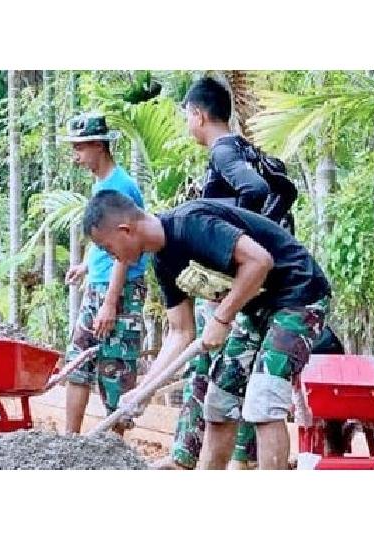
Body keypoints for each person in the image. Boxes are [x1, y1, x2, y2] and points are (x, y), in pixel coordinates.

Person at [83, 191, 330, 469]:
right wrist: (146, 389)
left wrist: (222, 319)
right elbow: (181, 332)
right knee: (219, 400)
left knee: (264, 398)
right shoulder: (163, 263)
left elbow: (260, 261)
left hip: (299, 296)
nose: (110, 255)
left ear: (124, 230)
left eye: (107, 247)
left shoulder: (191, 224)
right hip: (256, 309)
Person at [163, 76, 274, 470]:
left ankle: (191, 459)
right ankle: (211, 458)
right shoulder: (243, 148)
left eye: (186, 117)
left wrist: (236, 241)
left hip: (244, 278)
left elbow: (256, 190)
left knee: (217, 368)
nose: (187, 125)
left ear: (198, 114)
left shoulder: (224, 153)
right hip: (255, 278)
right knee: (229, 370)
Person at [59, 113, 148, 435]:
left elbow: (126, 249)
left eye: (80, 148)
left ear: (99, 145)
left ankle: (114, 446)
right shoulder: (101, 184)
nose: (76, 156)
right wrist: (85, 264)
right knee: (78, 361)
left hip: (120, 289)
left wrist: (111, 302)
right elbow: (102, 234)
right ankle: (71, 440)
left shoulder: (121, 186)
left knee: (115, 367)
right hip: (99, 284)